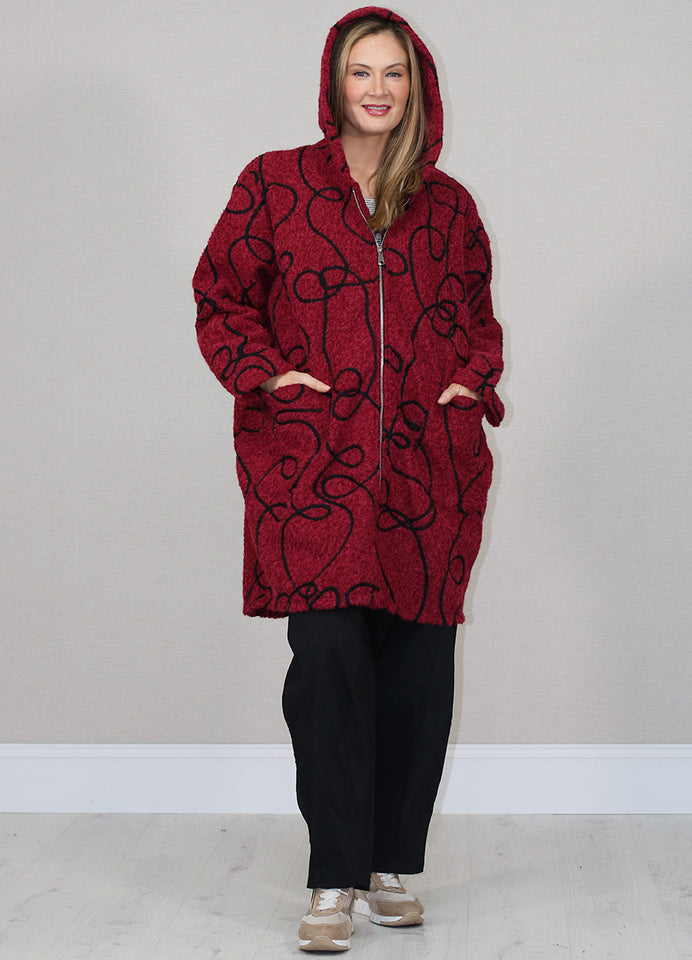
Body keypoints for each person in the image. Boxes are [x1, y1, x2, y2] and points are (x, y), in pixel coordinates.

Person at [193, 6, 504, 952]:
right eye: (362, 72)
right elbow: (220, 295)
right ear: (335, 82)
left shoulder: (447, 206)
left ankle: (387, 864)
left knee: (418, 671)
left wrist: (468, 385)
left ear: (418, 88)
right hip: (314, 464)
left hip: (425, 466)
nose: (378, 89)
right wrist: (267, 378)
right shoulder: (274, 184)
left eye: (394, 74)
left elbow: (477, 318)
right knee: (328, 662)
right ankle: (334, 874)